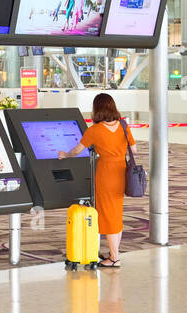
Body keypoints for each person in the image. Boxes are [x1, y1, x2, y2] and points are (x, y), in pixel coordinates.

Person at [58, 93, 135, 268]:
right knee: (116, 212)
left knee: (108, 215)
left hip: (106, 173)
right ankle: (114, 252)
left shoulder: (95, 130)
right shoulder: (123, 126)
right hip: (121, 171)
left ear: (97, 109)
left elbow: (77, 150)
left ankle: (114, 258)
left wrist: (65, 154)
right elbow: (134, 149)